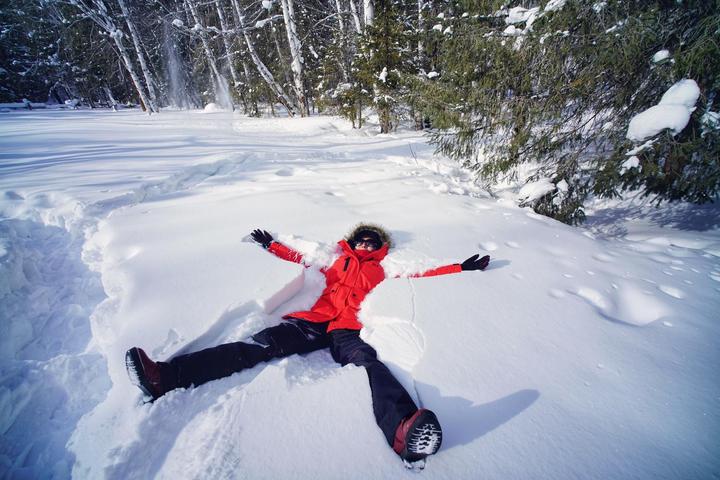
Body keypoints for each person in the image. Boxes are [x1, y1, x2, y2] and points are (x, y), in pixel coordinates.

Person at [125, 223, 490, 466]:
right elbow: (299, 257)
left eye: (371, 241)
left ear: (380, 247)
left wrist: (461, 268)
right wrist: (271, 245)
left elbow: (420, 272)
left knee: (369, 363)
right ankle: (167, 377)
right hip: (314, 322)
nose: (365, 244)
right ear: (352, 241)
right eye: (361, 239)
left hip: (347, 330)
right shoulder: (336, 259)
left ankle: (402, 430)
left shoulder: (384, 268)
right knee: (254, 347)